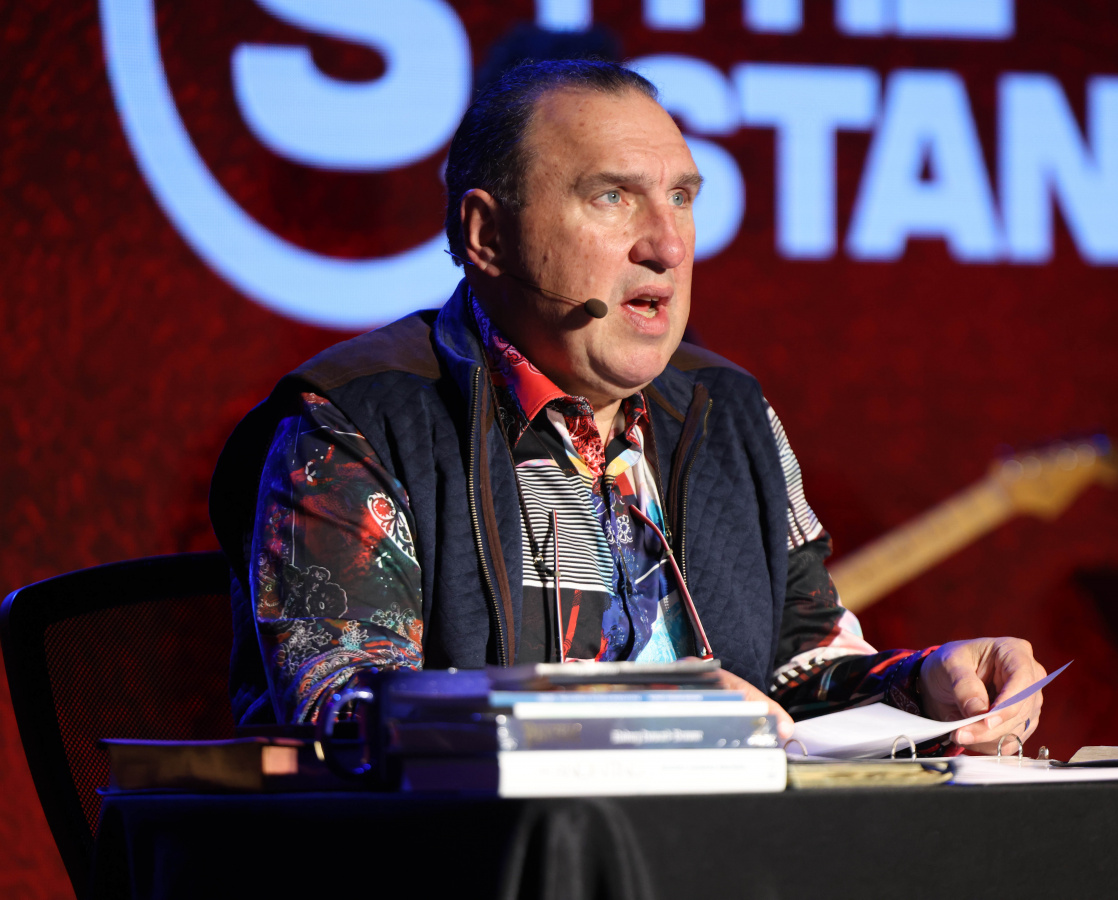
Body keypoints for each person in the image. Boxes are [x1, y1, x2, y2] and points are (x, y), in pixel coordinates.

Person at [210, 59, 1048, 756]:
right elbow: (345, 709)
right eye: (612, 197)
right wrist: (638, 707)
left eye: (681, 197)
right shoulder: (357, 421)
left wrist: (927, 685)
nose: (668, 244)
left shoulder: (730, 412)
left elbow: (796, 667)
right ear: (485, 235)